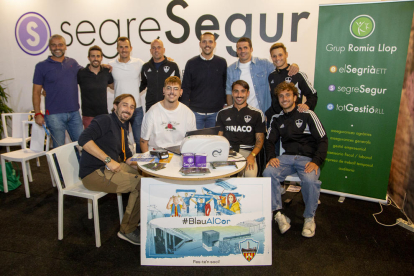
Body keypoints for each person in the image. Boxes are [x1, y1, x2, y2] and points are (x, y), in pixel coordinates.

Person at [263, 82, 328, 238]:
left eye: (287, 94)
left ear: (295, 97)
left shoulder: (308, 114)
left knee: (310, 180)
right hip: (287, 157)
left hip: (307, 159)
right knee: (268, 172)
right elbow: (269, 141)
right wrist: (271, 157)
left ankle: (309, 218)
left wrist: (316, 161)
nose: (284, 98)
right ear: (277, 99)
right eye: (281, 96)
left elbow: (323, 139)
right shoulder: (277, 119)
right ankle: (279, 214)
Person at [78, 94, 141, 245]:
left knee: (147, 176)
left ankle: (136, 216)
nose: (129, 109)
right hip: (94, 173)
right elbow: (83, 140)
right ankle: (127, 230)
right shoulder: (104, 119)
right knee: (141, 184)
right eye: (125, 105)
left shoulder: (123, 127)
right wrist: (108, 160)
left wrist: (148, 163)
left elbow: (127, 157)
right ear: (115, 106)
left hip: (110, 168)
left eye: (132, 107)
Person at [32, 34, 83, 148]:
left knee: (82, 146)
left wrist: (103, 66)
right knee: (59, 149)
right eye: (54, 45)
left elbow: (88, 74)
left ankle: (81, 167)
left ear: (65, 47)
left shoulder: (73, 63)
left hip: (74, 113)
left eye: (60, 44)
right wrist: (37, 114)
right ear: (49, 47)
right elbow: (36, 92)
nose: (57, 48)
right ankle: (59, 167)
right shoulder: (41, 66)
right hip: (54, 115)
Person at [226, 37, 299, 115]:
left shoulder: (264, 64)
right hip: (240, 114)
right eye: (239, 48)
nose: (242, 51)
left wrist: (294, 65)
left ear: (251, 49)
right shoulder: (231, 69)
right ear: (236, 51)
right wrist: (231, 113)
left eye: (245, 48)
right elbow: (229, 93)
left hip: (262, 113)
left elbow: (281, 68)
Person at [216, 80, 266, 177]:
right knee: (222, 177)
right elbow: (219, 138)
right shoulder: (222, 113)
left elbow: (260, 140)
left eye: (243, 91)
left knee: (250, 176)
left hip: (247, 153)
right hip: (228, 153)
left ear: (248, 93)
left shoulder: (257, 114)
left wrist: (252, 156)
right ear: (232, 93)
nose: (239, 95)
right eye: (236, 91)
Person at [181, 32, 227, 129]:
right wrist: (185, 109)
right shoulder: (191, 63)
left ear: (215, 44)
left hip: (216, 113)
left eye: (210, 42)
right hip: (195, 113)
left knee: (213, 143)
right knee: (196, 142)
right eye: (204, 42)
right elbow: (185, 87)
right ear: (200, 44)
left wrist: (226, 104)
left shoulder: (222, 62)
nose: (207, 45)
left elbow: (225, 86)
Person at [140, 76, 196, 152]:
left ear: (181, 92)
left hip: (179, 154)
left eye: (176, 89)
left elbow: (191, 140)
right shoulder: (152, 112)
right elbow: (143, 141)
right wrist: (148, 161)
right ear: (164, 90)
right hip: (156, 154)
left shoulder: (188, 113)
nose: (172, 92)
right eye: (169, 88)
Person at [109, 37, 144, 152]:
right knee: (119, 140)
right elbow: (109, 83)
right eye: (121, 47)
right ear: (117, 49)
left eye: (126, 47)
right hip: (119, 110)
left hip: (136, 109)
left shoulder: (139, 63)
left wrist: (166, 59)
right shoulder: (111, 65)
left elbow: (153, 66)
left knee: (139, 140)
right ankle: (123, 165)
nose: (124, 49)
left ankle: (140, 166)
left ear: (131, 48)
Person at [266, 42, 317, 119]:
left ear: (286, 55)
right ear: (271, 58)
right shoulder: (271, 76)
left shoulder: (298, 74)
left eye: (280, 55)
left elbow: (312, 95)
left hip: (295, 119)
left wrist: (307, 105)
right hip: (276, 121)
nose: (277, 58)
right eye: (274, 56)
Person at [77, 45, 114, 128]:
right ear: (88, 58)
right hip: (88, 116)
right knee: (90, 140)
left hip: (104, 115)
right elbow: (69, 85)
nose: (95, 58)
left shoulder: (106, 72)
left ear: (101, 58)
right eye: (93, 56)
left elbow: (113, 86)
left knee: (104, 140)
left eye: (98, 56)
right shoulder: (81, 73)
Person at [140, 39, 181, 112]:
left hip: (168, 105)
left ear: (163, 50)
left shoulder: (173, 66)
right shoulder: (145, 67)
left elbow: (178, 87)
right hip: (151, 106)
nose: (156, 50)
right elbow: (143, 85)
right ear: (150, 50)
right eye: (154, 48)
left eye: (159, 47)